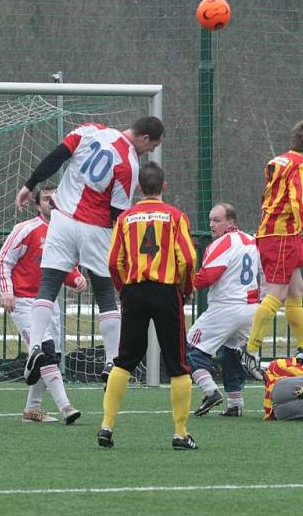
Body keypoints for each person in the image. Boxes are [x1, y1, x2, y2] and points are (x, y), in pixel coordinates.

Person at [16, 116, 165, 386]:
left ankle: (35, 346)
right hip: (96, 228)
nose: (149, 151)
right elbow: (117, 213)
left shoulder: (89, 131)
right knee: (106, 294)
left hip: (61, 219)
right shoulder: (129, 164)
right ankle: (111, 361)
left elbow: (56, 157)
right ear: (144, 138)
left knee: (48, 284)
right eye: (152, 146)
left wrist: (29, 185)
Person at [97, 162, 198, 450]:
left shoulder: (126, 218)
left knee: (124, 360)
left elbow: (113, 261)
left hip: (134, 291)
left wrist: (123, 289)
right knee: (178, 364)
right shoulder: (176, 217)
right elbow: (188, 260)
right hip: (166, 291)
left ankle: (106, 426)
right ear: (163, 187)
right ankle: (180, 433)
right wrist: (186, 288)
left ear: (139, 188)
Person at [240, 120, 303, 381]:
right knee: (276, 294)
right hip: (281, 237)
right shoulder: (302, 166)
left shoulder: (278, 161)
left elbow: (276, 200)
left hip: (277, 232)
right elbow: (297, 199)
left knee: (296, 291)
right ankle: (251, 350)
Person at [0, 186, 87, 425]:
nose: (52, 202)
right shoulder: (25, 230)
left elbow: (64, 267)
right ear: (37, 205)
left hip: (49, 302)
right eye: (47, 199)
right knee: (45, 352)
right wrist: (7, 292)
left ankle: (31, 409)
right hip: (25, 303)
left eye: (56, 198)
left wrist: (75, 278)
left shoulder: (64, 233)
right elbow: (3, 261)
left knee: (50, 356)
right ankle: (66, 407)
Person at [187, 203, 260, 418]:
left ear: (231, 222)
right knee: (231, 353)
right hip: (251, 308)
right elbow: (264, 272)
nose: (211, 225)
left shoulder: (222, 243)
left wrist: (187, 286)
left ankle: (210, 391)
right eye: (210, 220)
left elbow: (209, 275)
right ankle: (236, 403)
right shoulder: (252, 241)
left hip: (226, 307)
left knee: (191, 347)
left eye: (217, 220)